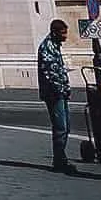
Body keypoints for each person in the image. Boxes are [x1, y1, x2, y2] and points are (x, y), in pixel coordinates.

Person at [37, 18, 76, 175]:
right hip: (54, 94)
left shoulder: (54, 45)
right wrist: (62, 89)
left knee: (65, 126)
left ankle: (61, 158)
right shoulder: (47, 47)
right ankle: (59, 160)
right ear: (55, 33)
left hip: (60, 92)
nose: (66, 36)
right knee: (61, 126)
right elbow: (50, 74)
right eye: (63, 33)